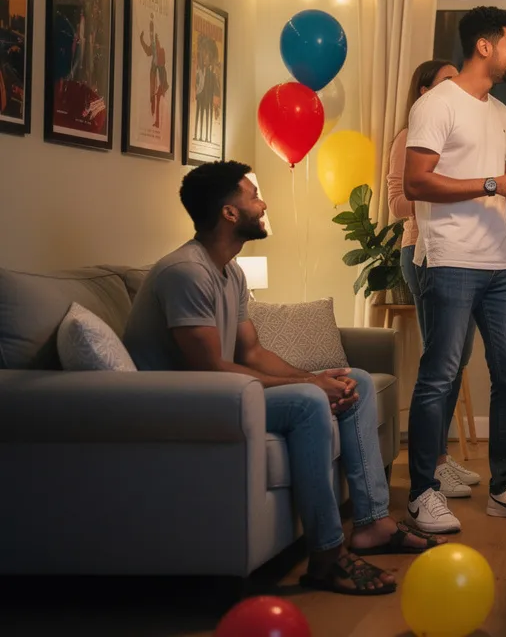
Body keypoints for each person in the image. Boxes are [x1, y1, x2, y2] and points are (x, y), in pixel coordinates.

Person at [123, 161, 446, 596]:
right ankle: (327, 557)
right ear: (229, 213)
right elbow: (210, 369)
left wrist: (317, 375)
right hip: (186, 405)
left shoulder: (229, 271)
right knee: (310, 402)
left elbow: (251, 352)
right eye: (252, 195)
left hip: (225, 394)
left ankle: (372, 523)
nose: (263, 203)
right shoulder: (186, 272)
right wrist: (311, 388)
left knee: (358, 381)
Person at [403, 6, 506, 533]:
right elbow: (416, 183)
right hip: (450, 259)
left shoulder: (499, 112)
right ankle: (422, 492)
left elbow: (484, 179)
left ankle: (502, 487)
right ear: (485, 47)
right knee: (439, 376)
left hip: (500, 261)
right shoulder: (435, 104)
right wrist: (495, 184)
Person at [387, 59, 482, 500]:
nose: (454, 90)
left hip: (461, 253)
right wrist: (443, 189)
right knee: (440, 366)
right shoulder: (410, 136)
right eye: (445, 82)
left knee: (457, 360)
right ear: (424, 90)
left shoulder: (460, 129)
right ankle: (433, 466)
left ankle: (440, 458)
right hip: (423, 252)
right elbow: (397, 202)